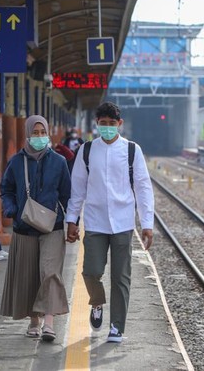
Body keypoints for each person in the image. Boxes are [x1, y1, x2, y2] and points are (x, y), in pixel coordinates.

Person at [65, 102, 154, 343]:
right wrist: (72, 219)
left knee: (121, 277)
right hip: (94, 222)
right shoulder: (86, 150)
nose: (106, 128)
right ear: (97, 124)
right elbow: (77, 189)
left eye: (111, 124)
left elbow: (143, 188)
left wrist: (147, 223)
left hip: (123, 223)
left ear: (119, 124)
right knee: (91, 272)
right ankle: (97, 303)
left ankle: (117, 327)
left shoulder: (132, 151)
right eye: (102, 124)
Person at [0, 115, 72, 342]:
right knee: (30, 275)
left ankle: (49, 322)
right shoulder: (16, 161)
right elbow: (6, 188)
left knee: (50, 273)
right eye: (35, 132)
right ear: (28, 133)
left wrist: (73, 223)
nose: (40, 136)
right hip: (25, 227)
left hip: (53, 226)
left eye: (43, 132)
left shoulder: (59, 162)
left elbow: (67, 195)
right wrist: (11, 209)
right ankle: (34, 320)